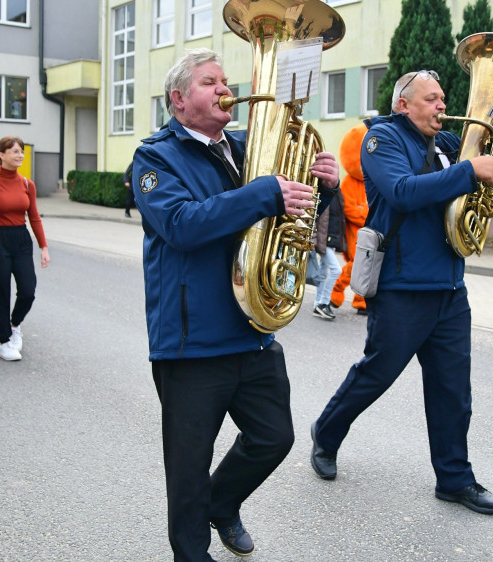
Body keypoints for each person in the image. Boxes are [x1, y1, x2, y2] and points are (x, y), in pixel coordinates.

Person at [132, 48, 339, 561]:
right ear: (179, 100)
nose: (226, 89)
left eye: (226, 80)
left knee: (274, 438)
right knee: (187, 468)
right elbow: (181, 225)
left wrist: (322, 189)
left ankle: (222, 504)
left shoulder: (253, 146)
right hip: (192, 340)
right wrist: (266, 192)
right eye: (210, 82)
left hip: (252, 329)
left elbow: (289, 220)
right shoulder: (155, 157)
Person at [310, 69, 493, 516]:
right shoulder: (382, 140)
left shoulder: (447, 144)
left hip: (449, 286)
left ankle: (454, 479)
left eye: (444, 98)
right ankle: (326, 433)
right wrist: (470, 170)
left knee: (453, 391)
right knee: (377, 374)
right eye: (432, 99)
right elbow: (403, 192)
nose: (442, 106)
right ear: (404, 105)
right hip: (402, 287)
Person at [0, 136, 50, 362]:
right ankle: (4, 341)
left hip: (21, 238)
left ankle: (14, 324)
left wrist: (43, 247)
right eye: (15, 151)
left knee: (28, 289)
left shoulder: (27, 184)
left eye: (22, 152)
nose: (20, 156)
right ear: (2, 154)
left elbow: (34, 217)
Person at [330, 124, 369, 314]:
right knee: (357, 264)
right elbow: (348, 209)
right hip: (354, 232)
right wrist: (367, 215)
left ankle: (361, 300)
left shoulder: (373, 182)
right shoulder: (349, 182)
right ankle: (335, 290)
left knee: (367, 267)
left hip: (371, 233)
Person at [312, 191, 345, 320]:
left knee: (322, 272)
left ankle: (317, 305)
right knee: (337, 270)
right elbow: (315, 217)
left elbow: (338, 219)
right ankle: (324, 303)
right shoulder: (322, 192)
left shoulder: (337, 192)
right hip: (322, 240)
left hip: (330, 239)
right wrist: (315, 240)